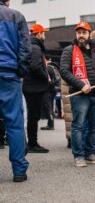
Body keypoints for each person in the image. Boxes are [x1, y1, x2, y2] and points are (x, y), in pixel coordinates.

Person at [60, 22, 95, 167]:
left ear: (89, 34)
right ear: (76, 34)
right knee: (78, 126)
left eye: (84, 32)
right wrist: (81, 85)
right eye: (79, 32)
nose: (81, 35)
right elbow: (64, 71)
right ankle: (78, 156)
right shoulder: (69, 50)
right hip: (80, 95)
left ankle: (90, 153)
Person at [0, 0, 31, 182]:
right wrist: (19, 72)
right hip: (9, 75)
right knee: (14, 124)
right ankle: (19, 171)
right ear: (7, 1)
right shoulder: (16, 16)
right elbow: (25, 49)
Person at [23, 23, 50, 153]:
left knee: (33, 116)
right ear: (38, 34)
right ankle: (32, 144)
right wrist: (46, 77)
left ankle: (32, 143)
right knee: (33, 116)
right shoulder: (35, 47)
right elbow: (35, 66)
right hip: (34, 87)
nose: (44, 35)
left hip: (31, 86)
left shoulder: (31, 45)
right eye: (43, 33)